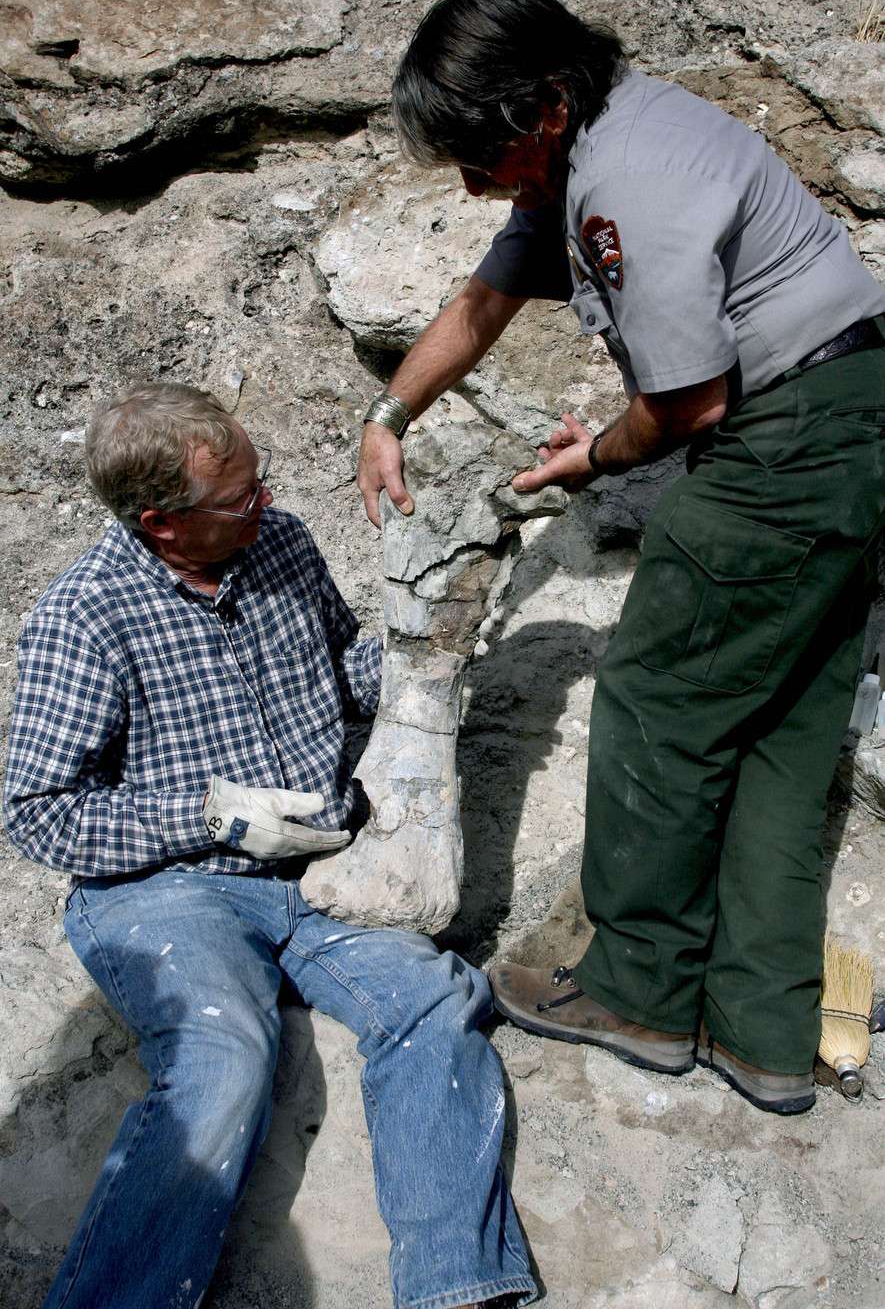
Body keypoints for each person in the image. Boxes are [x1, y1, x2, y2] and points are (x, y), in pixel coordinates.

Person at [357, 0, 885, 1114]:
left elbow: (686, 405)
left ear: (541, 104)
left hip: (784, 448)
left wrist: (590, 456)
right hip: (850, 422)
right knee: (784, 733)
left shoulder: (624, 179)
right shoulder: (596, 134)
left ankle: (641, 993)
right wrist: (389, 414)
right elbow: (487, 296)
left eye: (478, 154)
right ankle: (762, 1031)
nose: (469, 181)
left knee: (656, 699)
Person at [3, 383, 537, 1309]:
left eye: (261, 480)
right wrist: (210, 814)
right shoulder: (84, 618)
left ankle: (459, 1287)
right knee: (224, 1055)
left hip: (325, 867)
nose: (268, 502)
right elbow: (37, 810)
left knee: (433, 1000)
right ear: (164, 523)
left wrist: (422, 652)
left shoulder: (277, 542)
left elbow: (337, 666)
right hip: (172, 891)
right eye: (241, 496)